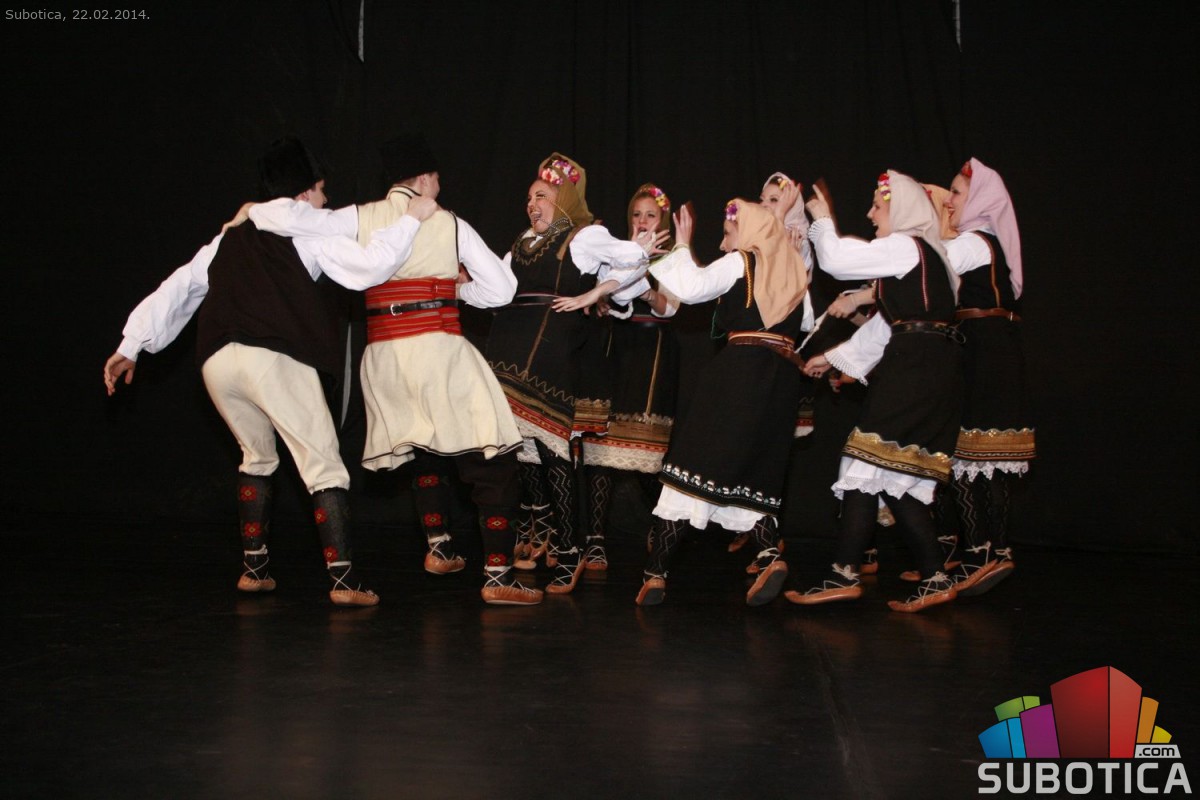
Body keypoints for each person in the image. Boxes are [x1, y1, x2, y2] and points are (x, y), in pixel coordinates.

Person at [103, 136, 428, 607]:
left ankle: (254, 570)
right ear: (304, 192)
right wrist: (411, 221)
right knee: (323, 464)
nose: (325, 201)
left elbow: (181, 286)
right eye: (321, 191)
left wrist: (132, 345)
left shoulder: (228, 237)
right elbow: (369, 268)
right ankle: (343, 581)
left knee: (256, 457)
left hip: (217, 362)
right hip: (271, 355)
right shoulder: (307, 232)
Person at [246, 132, 543, 606]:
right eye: (437, 178)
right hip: (437, 349)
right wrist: (457, 290)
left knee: (423, 445)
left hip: (383, 356)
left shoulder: (357, 217)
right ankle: (497, 574)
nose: (439, 186)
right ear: (423, 179)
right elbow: (502, 289)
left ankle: (439, 547)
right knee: (491, 458)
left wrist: (253, 212)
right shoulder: (449, 222)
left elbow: (293, 219)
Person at [788, 170, 964, 613]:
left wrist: (822, 218)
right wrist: (833, 358)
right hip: (924, 363)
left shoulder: (907, 246)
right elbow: (889, 327)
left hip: (916, 368)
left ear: (900, 209)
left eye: (877, 206)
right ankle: (932, 577)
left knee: (863, 459)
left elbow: (837, 261)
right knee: (890, 473)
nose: (870, 214)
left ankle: (845, 573)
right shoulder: (922, 259)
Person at [487, 153, 663, 594]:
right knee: (521, 456)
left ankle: (571, 550)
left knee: (553, 456)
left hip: (549, 356)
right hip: (509, 352)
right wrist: (458, 286)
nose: (532, 204)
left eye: (542, 196)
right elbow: (495, 289)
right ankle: (542, 537)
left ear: (563, 198)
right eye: (529, 198)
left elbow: (633, 260)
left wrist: (593, 293)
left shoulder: (583, 237)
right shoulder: (521, 242)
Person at [632, 198, 810, 607]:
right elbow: (806, 324)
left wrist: (682, 244)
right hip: (779, 381)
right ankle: (769, 555)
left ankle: (655, 574)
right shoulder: (795, 270)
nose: (724, 244)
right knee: (752, 470)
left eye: (729, 234)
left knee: (691, 467)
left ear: (749, 234)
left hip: (738, 373)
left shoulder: (741, 262)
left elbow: (691, 289)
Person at [940, 158, 1034, 595]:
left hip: (981, 349)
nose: (949, 201)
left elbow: (930, 269)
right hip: (991, 346)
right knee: (986, 459)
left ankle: (981, 552)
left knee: (968, 454)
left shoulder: (974, 241)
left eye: (957, 193)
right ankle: (997, 550)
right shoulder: (987, 241)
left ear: (979, 199)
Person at [577, 183, 682, 572]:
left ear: (662, 220)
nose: (642, 221)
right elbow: (598, 294)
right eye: (637, 215)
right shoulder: (617, 251)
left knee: (644, 450)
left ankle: (662, 523)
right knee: (603, 447)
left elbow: (671, 307)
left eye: (650, 215)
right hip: (615, 346)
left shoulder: (672, 257)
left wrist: (644, 290)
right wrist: (603, 302)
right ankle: (595, 540)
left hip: (651, 351)